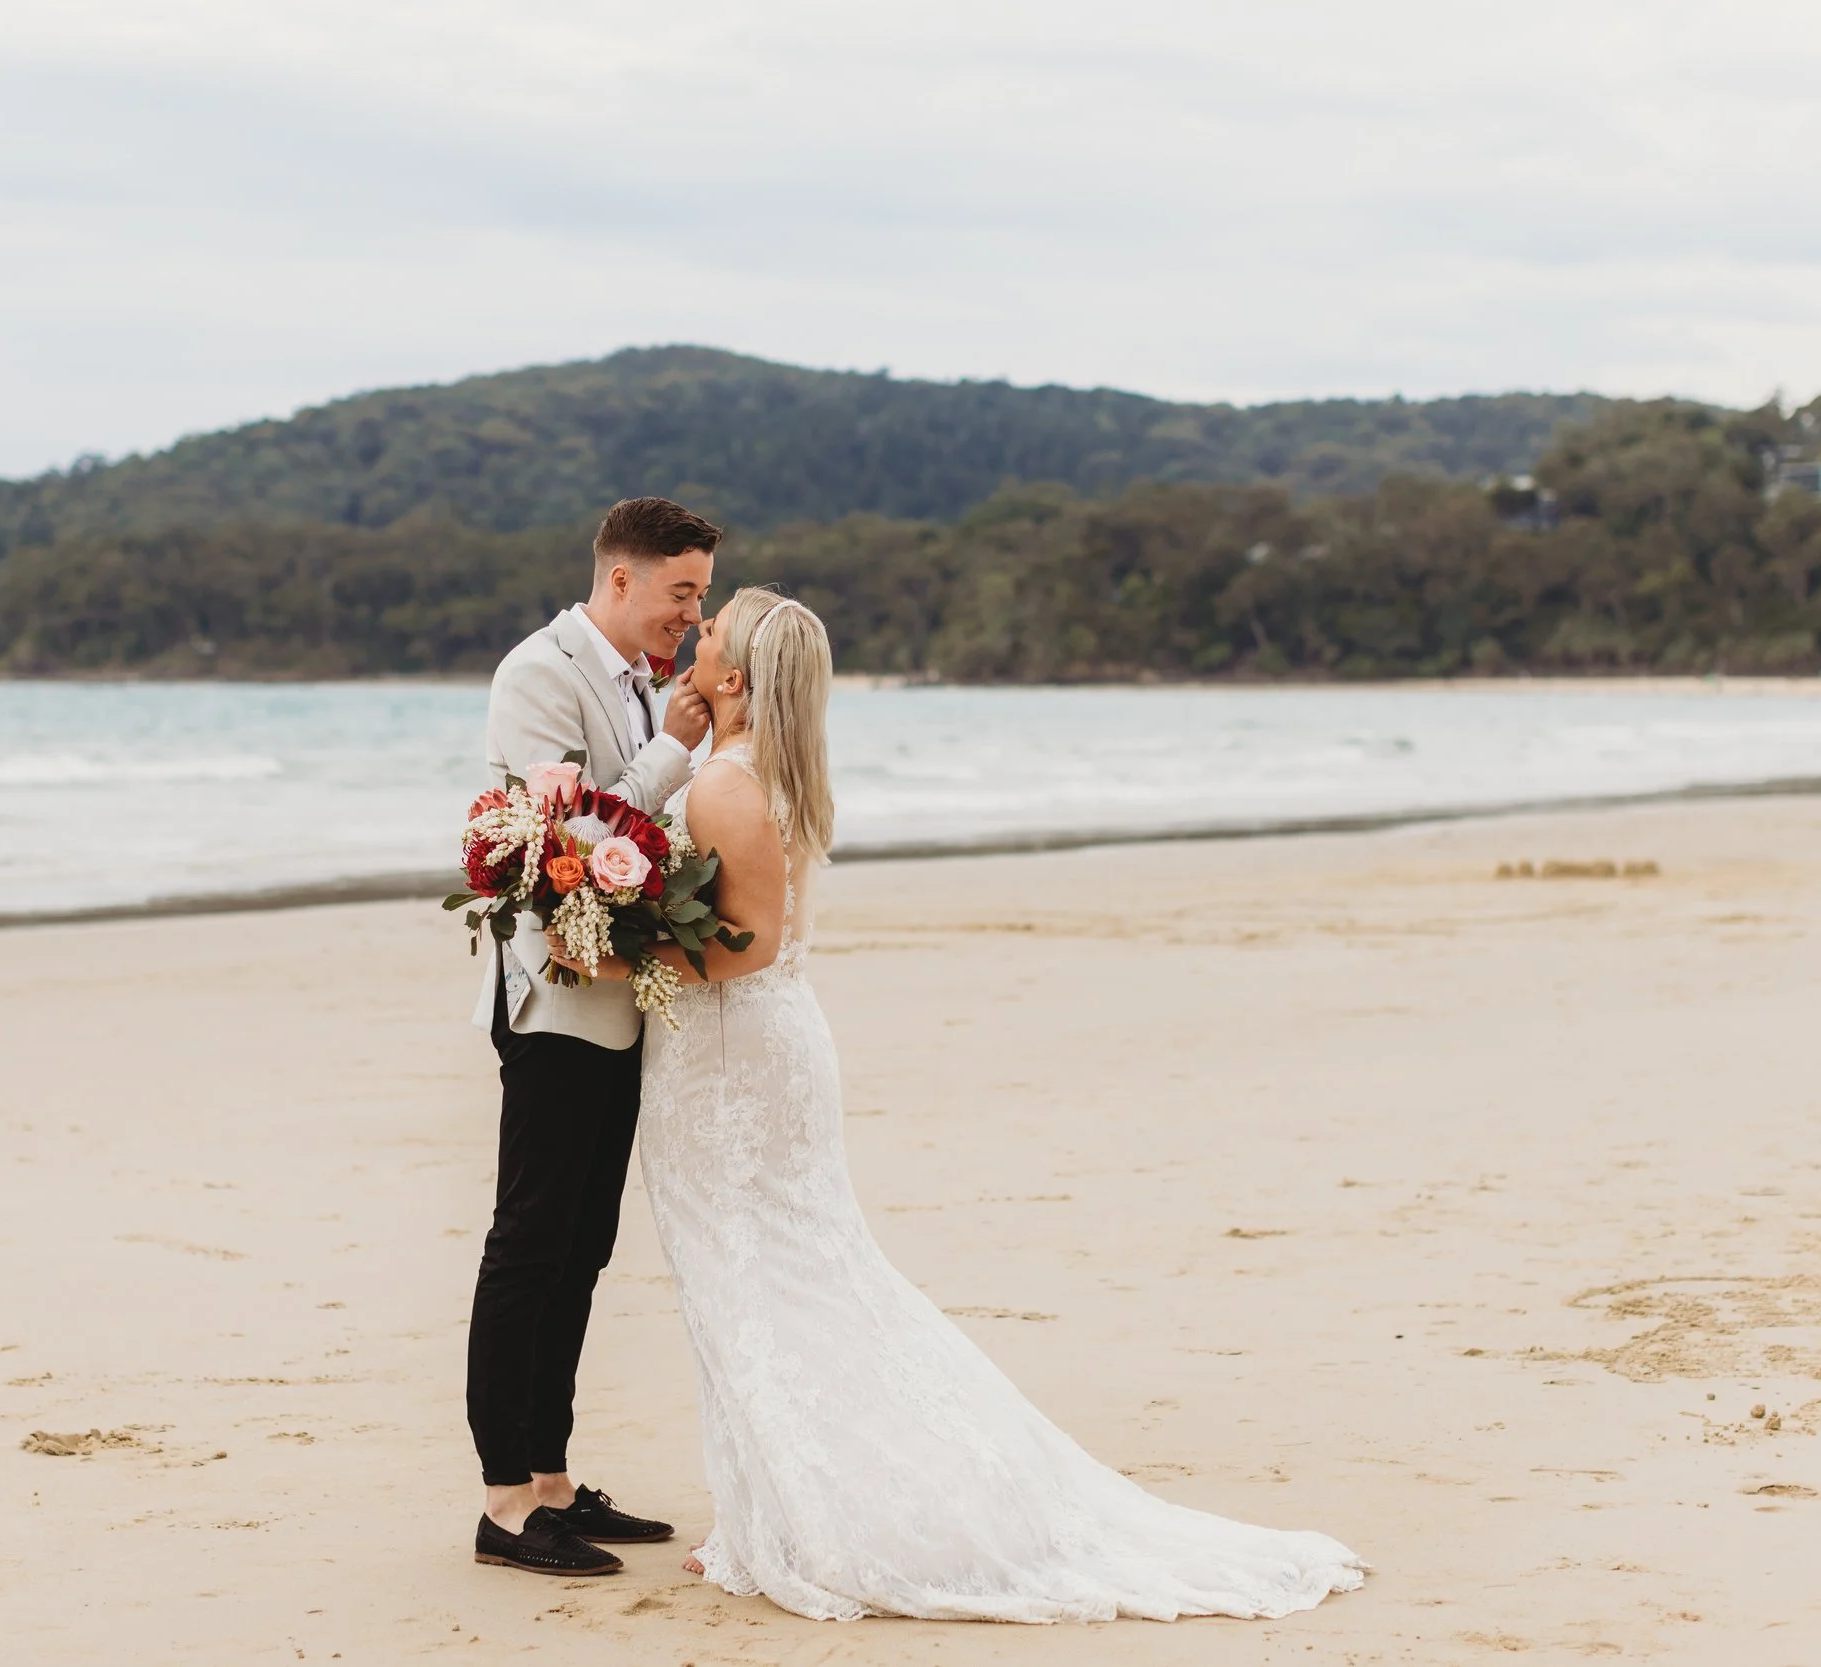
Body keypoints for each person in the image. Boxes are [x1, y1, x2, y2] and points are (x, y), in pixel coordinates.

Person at [553, 588, 1368, 1622]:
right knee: (775, 1278)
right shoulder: (765, 770)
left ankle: (822, 1519)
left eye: (711, 633)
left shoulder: (724, 784)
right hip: (756, 1052)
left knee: (759, 1283)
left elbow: (743, 942)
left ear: (735, 678)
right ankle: (764, 1513)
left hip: (730, 1067)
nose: (696, 633)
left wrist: (616, 949)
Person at [465, 497, 719, 1576]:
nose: (692, 616)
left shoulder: (641, 679)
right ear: (621, 579)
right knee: (528, 1242)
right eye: (681, 592)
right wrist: (671, 748)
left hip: (618, 999)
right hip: (557, 997)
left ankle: (555, 1478)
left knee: (584, 1245)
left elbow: (643, 841)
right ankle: (504, 1504)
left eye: (700, 595)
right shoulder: (538, 672)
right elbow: (565, 841)